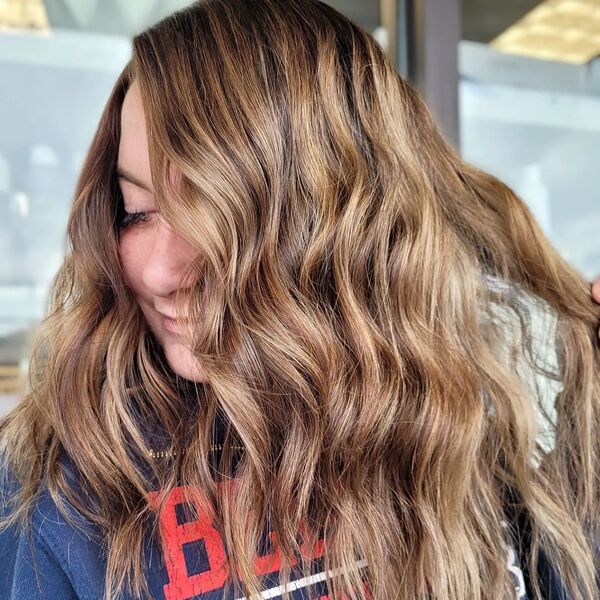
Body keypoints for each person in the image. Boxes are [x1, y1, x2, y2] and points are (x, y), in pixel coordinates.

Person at [1, 1, 599, 599]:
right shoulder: (60, 491)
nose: (158, 273)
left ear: (342, 227)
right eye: (134, 212)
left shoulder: (472, 411)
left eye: (211, 216)